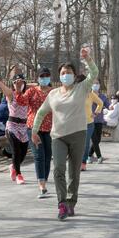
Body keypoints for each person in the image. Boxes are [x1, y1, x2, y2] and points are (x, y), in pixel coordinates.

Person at [32, 47, 99, 221]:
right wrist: (34, 131)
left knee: (74, 172)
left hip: (78, 134)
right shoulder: (53, 94)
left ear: (75, 75)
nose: (65, 75)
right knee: (59, 169)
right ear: (59, 75)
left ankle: (71, 202)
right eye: (63, 72)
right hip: (58, 137)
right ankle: (62, 203)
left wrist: (87, 58)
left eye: (69, 72)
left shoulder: (82, 88)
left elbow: (94, 72)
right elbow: (40, 112)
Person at [0, 74, 29, 185]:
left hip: (23, 126)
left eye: (21, 81)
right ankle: (19, 174)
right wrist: (0, 83)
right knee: (16, 150)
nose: (18, 83)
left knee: (23, 153)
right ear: (13, 84)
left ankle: (13, 166)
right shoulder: (11, 95)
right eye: (15, 82)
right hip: (12, 125)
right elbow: (6, 90)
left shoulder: (27, 95)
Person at [25, 67, 53, 198]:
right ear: (38, 78)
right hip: (33, 128)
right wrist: (19, 90)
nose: (44, 78)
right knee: (39, 156)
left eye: (47, 76)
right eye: (42, 76)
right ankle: (41, 185)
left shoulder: (54, 92)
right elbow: (21, 101)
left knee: (47, 156)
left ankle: (45, 181)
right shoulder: (32, 91)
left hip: (49, 128)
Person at [79, 78, 104, 171]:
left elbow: (100, 103)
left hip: (89, 123)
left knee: (85, 144)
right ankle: (76, 160)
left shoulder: (90, 94)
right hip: (77, 123)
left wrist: (96, 113)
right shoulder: (75, 94)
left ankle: (83, 162)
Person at [88, 80, 110, 164]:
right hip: (90, 120)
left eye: (97, 83)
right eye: (94, 83)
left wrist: (110, 106)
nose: (95, 85)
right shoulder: (89, 95)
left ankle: (89, 156)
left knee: (98, 139)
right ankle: (99, 157)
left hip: (99, 120)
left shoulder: (102, 96)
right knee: (94, 139)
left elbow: (107, 105)